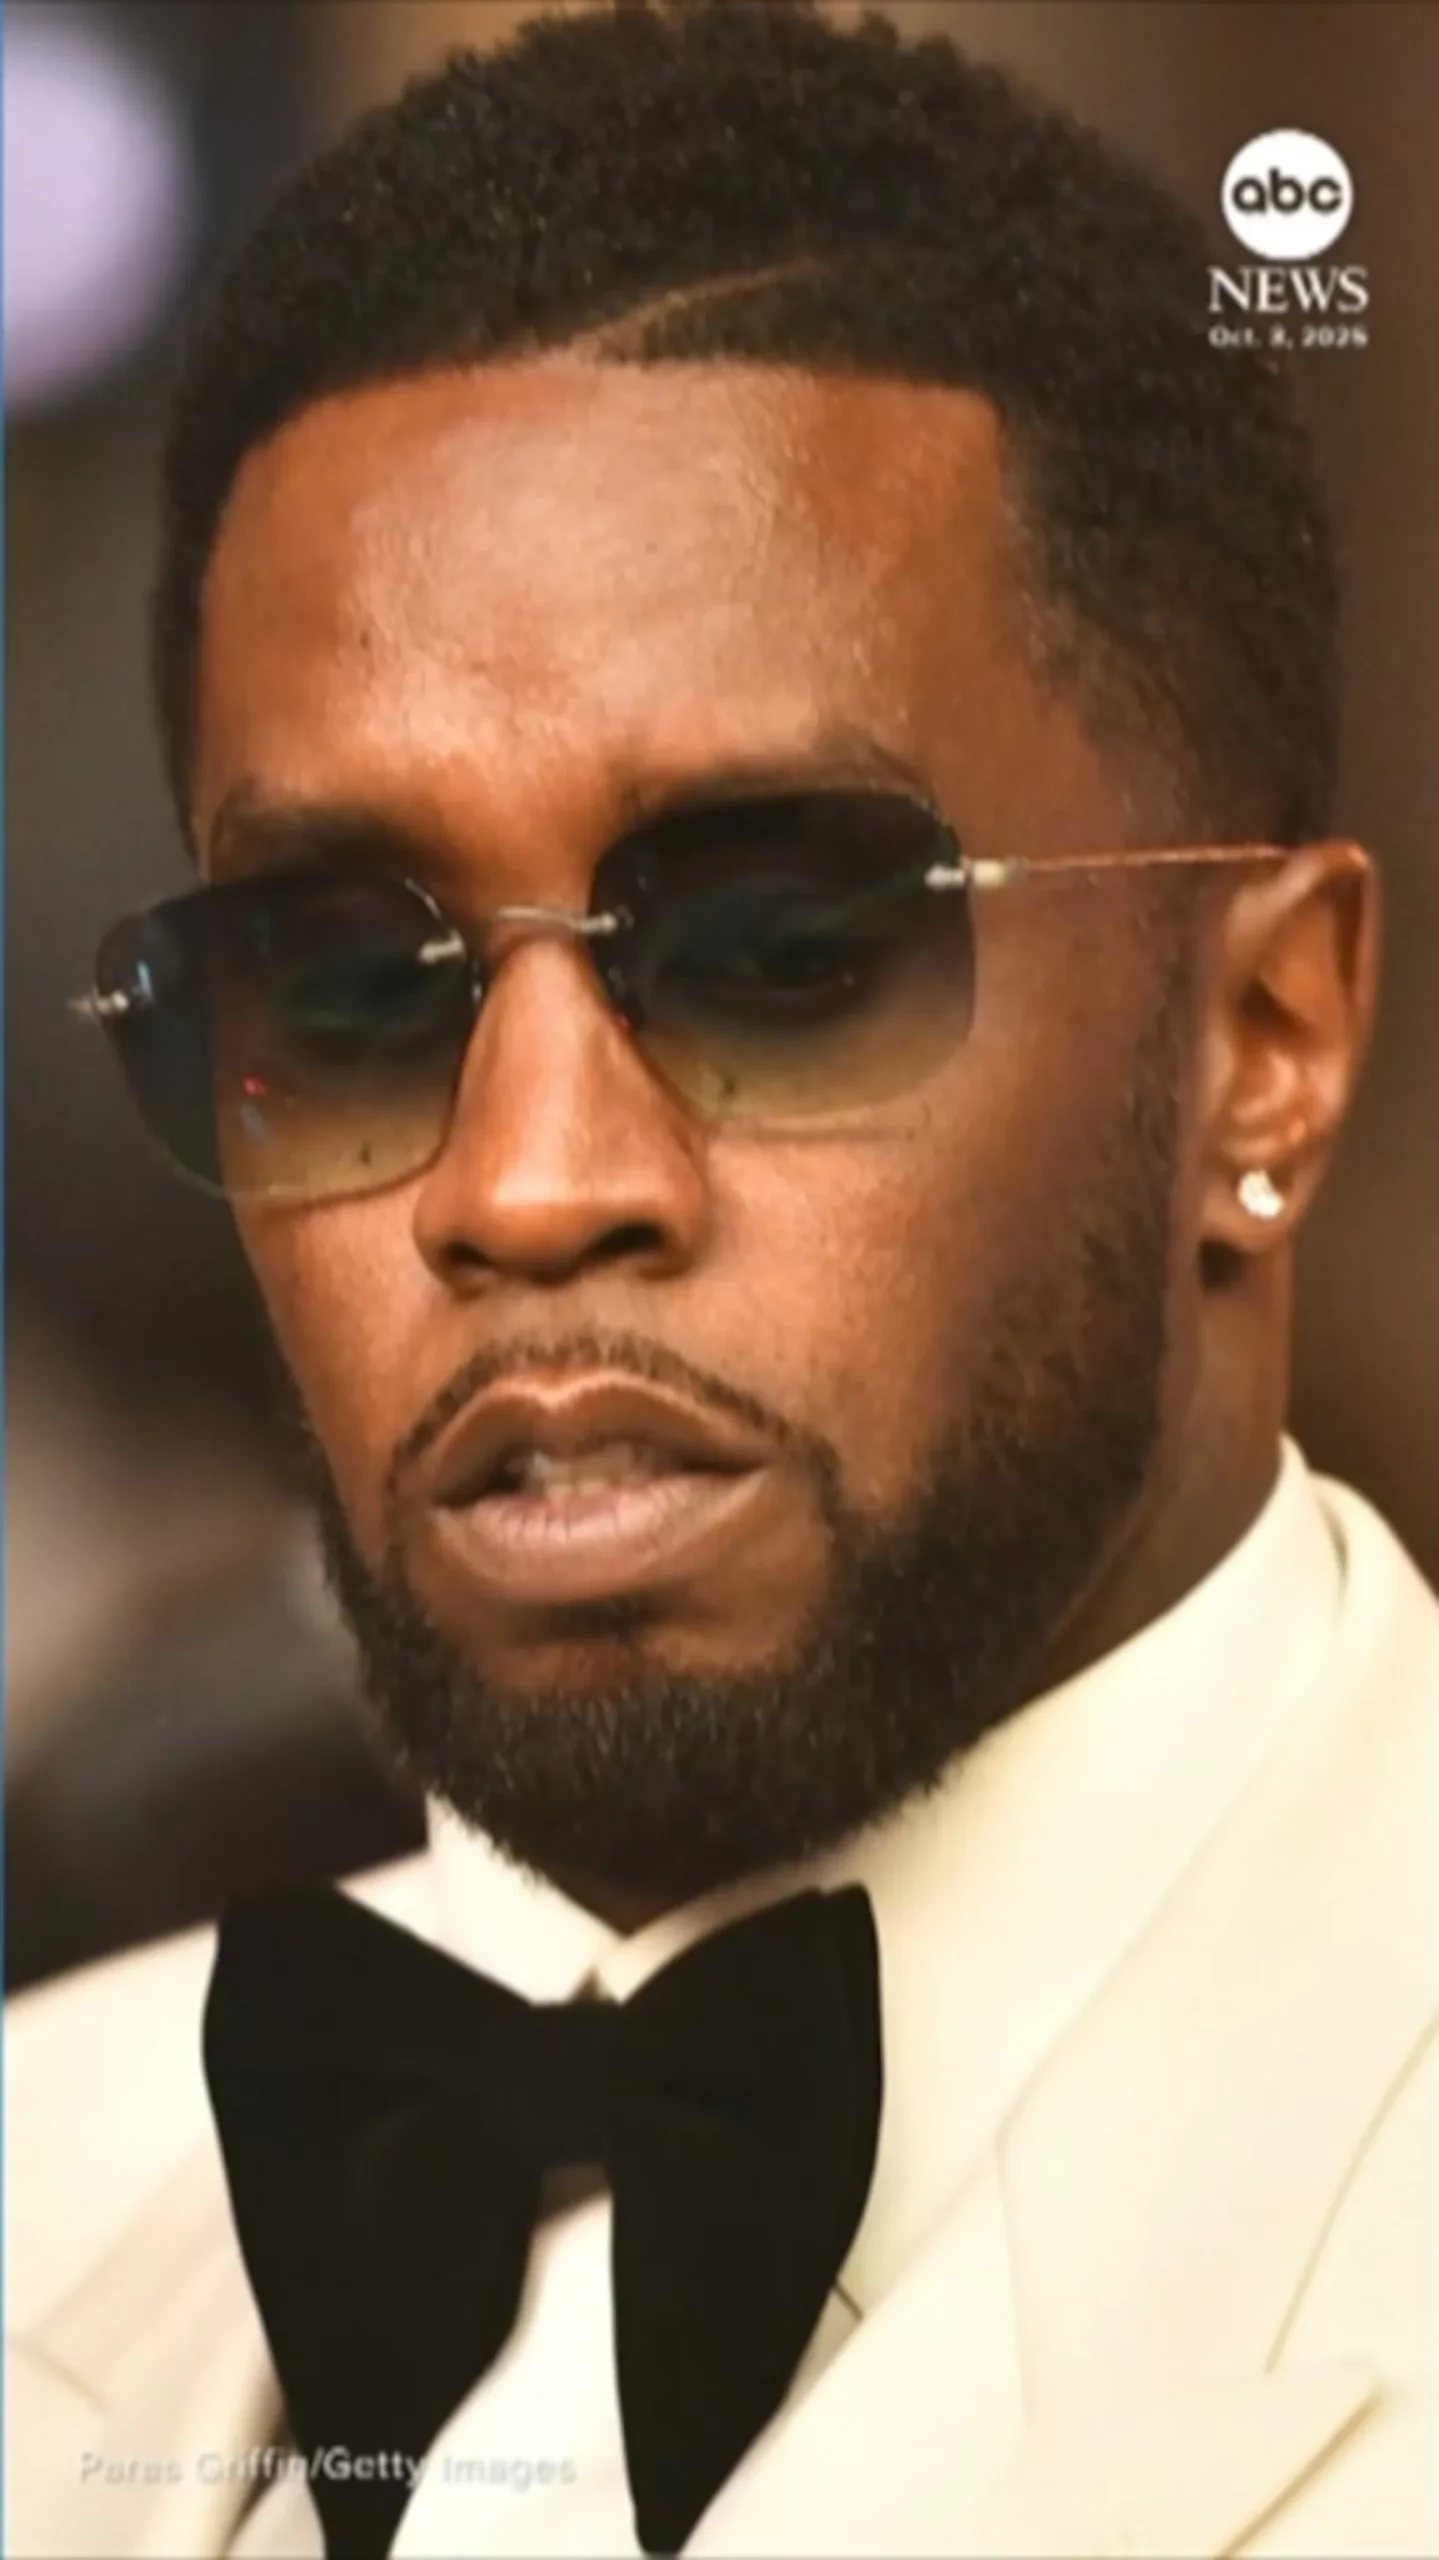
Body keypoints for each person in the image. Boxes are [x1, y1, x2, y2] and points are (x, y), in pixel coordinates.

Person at [8, 4, 1435, 2554]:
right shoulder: (46, 2181)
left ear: (1264, 1043)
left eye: (781, 949)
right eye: (346, 983)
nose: (527, 1180)